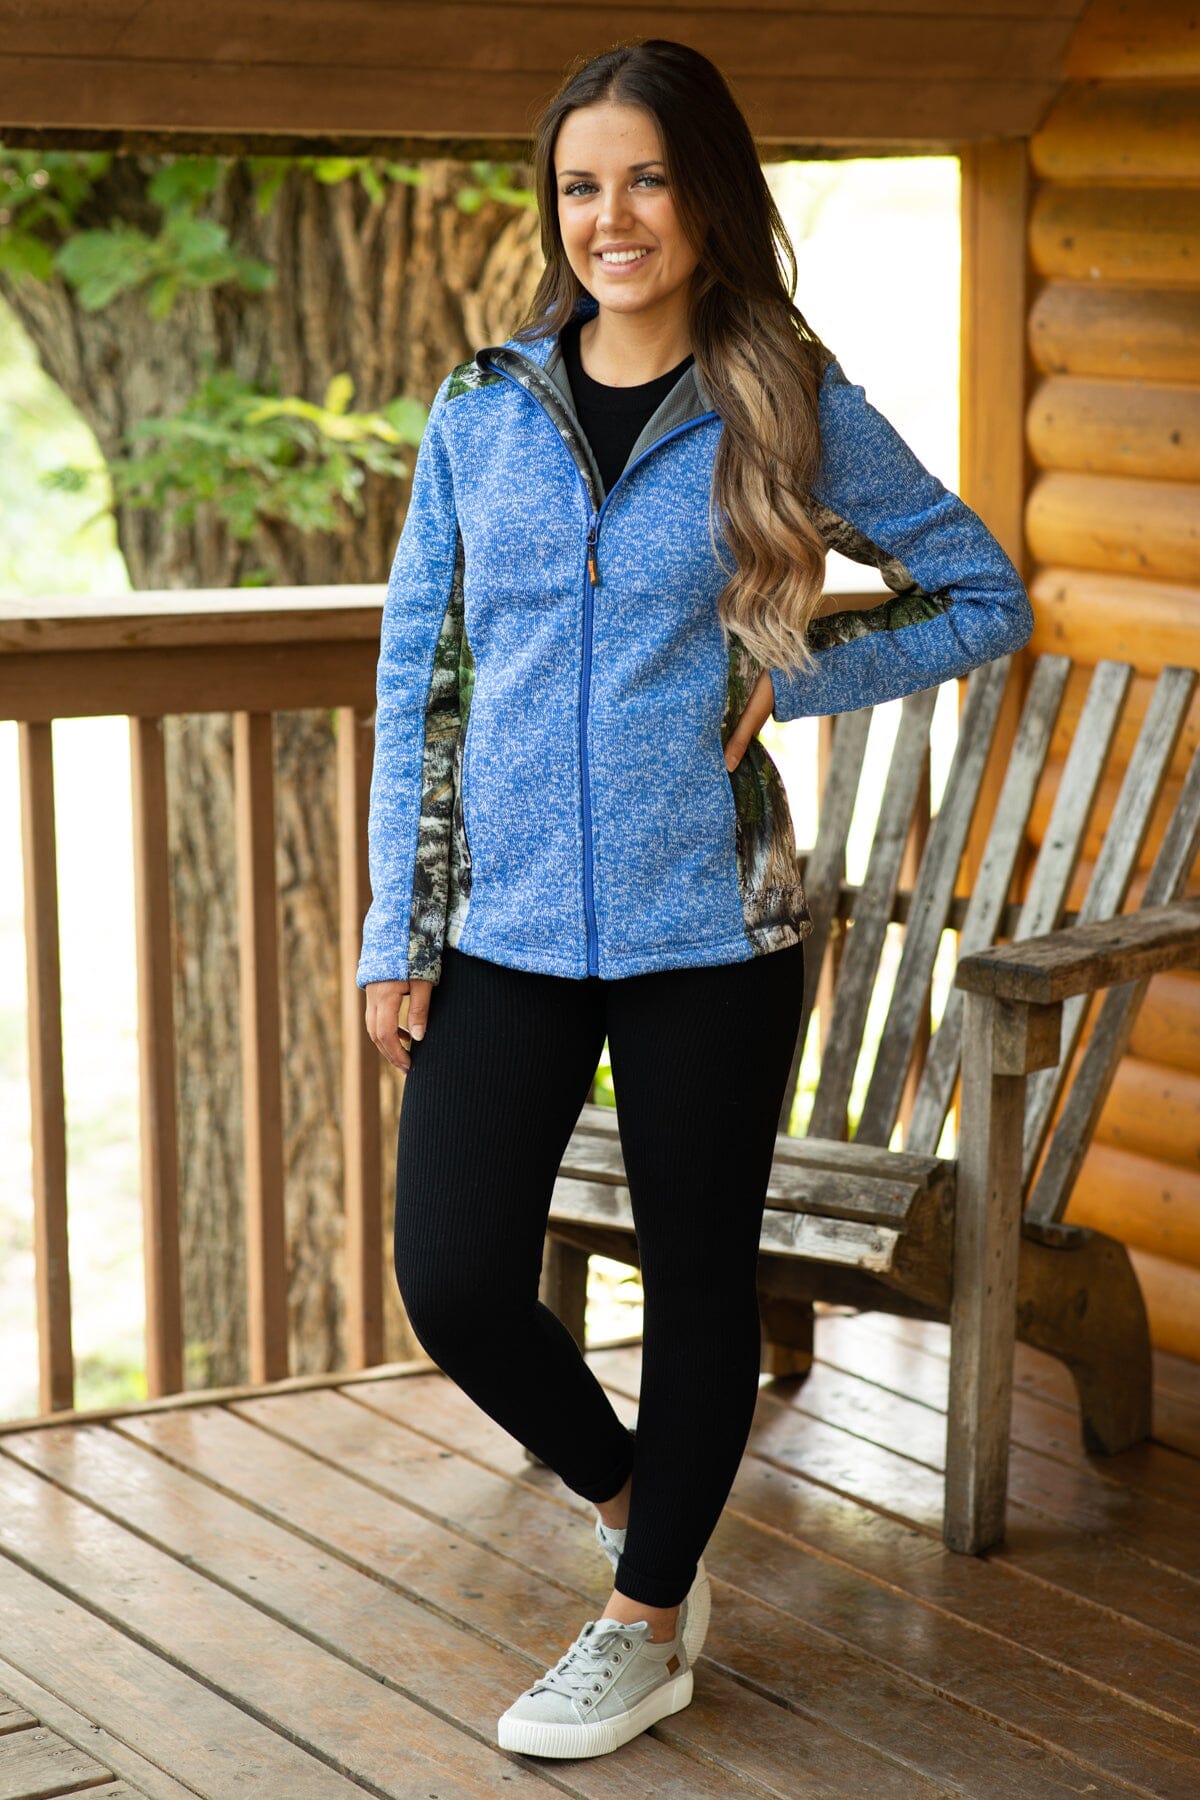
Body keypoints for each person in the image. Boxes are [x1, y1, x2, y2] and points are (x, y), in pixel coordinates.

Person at [358, 37, 1033, 1764]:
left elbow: (979, 590)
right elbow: (422, 680)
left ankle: (646, 1623)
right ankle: (637, 1506)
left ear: (709, 197)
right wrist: (396, 931)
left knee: (698, 1278)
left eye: (647, 179)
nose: (613, 218)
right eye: (582, 186)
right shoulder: (479, 409)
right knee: (452, 1278)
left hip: (714, 932)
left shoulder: (783, 399)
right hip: (504, 926)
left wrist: (791, 676)